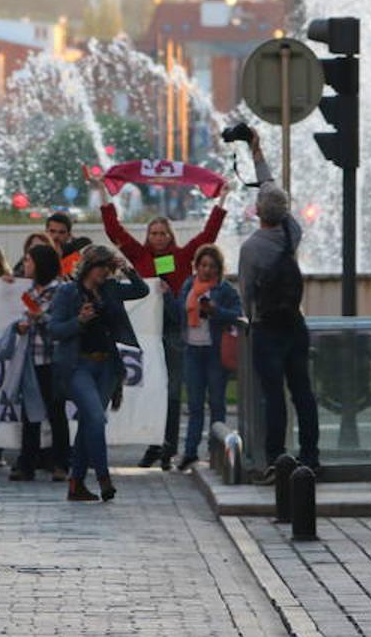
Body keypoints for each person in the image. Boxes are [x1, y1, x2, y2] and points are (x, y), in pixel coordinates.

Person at [88, 171, 230, 470]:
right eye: (153, 233)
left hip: (175, 331)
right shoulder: (139, 255)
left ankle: (168, 446)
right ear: (148, 236)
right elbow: (114, 230)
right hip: (146, 334)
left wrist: (222, 201)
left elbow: (208, 236)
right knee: (150, 387)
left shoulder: (182, 256)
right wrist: (102, 192)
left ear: (171, 236)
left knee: (173, 390)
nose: (158, 237)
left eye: (163, 233)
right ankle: (153, 444)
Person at [238, 133, 319, 479]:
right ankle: (311, 455)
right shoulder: (292, 233)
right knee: (302, 392)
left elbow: (246, 293)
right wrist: (258, 155)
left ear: (257, 211)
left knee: (274, 396)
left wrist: (250, 320)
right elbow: (272, 191)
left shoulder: (251, 248)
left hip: (267, 328)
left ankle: (275, 458)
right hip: (295, 326)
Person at [47, 245, 149, 502]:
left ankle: (76, 484)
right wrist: (79, 321)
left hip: (107, 366)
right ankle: (103, 477)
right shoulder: (68, 292)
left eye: (109, 267)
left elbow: (141, 290)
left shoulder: (110, 289)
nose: (105, 272)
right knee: (95, 417)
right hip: (77, 365)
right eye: (102, 267)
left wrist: (127, 268)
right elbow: (54, 329)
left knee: (89, 422)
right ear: (89, 267)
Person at [0, 243, 69, 482]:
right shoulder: (29, 292)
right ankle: (27, 464)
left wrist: (41, 318)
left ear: (40, 264)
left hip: (53, 361)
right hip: (31, 360)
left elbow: (61, 324)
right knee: (30, 413)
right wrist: (20, 326)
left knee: (56, 413)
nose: (24, 264)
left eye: (28, 260)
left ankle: (61, 463)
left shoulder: (60, 292)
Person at [177, 245, 242, 471]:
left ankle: (216, 452)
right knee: (194, 405)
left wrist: (216, 311)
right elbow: (178, 310)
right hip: (192, 351)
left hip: (215, 352)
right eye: (203, 265)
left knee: (217, 403)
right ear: (196, 266)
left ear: (219, 269)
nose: (206, 270)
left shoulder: (225, 289)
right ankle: (190, 452)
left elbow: (237, 315)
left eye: (212, 266)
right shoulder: (189, 285)